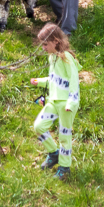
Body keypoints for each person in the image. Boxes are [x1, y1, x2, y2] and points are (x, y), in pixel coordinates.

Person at [30, 23, 80, 179]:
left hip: (66, 104)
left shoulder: (67, 58)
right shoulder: (52, 57)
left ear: (56, 41)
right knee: (39, 126)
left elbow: (73, 81)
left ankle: (65, 168)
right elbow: (55, 80)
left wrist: (71, 103)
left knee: (64, 136)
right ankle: (54, 153)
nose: (43, 48)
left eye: (46, 44)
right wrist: (40, 81)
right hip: (52, 101)